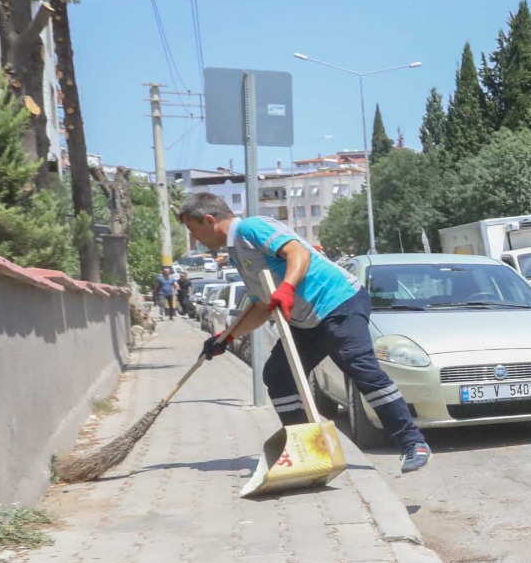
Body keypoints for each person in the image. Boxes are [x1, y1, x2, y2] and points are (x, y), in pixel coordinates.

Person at [177, 193, 431, 474]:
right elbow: (262, 305)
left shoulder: (251, 228)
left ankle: (413, 443)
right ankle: (307, 450)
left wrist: (287, 287)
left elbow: (299, 252)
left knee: (359, 366)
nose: (195, 238)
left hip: (339, 302)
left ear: (209, 220)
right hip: (305, 321)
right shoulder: (236, 252)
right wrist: (226, 338)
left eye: (193, 230)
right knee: (278, 376)